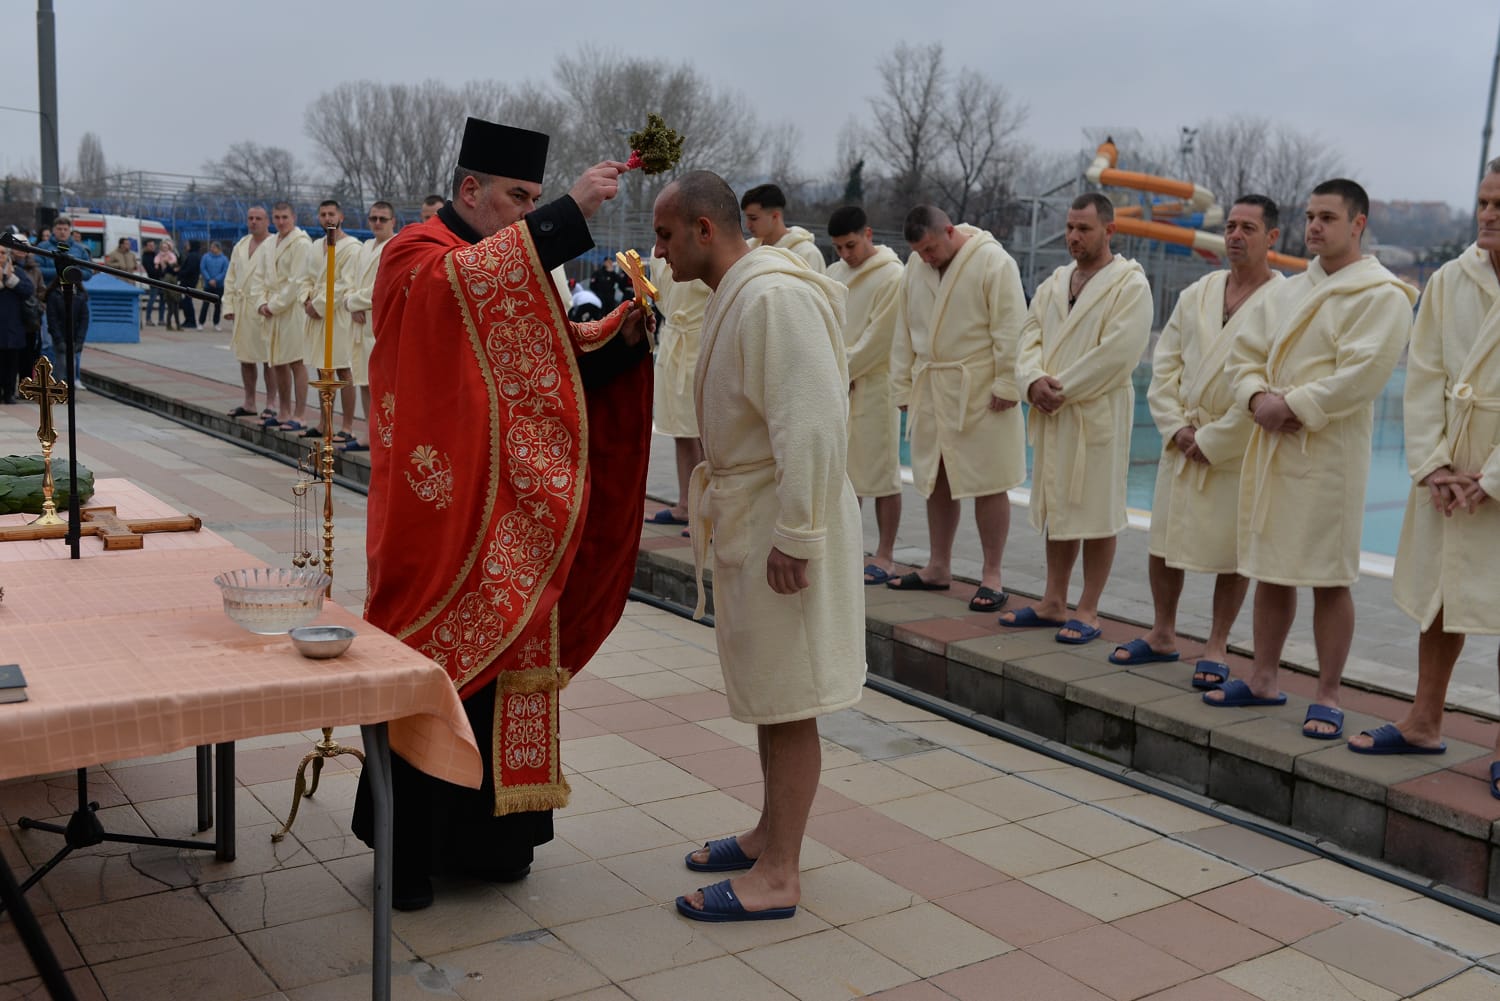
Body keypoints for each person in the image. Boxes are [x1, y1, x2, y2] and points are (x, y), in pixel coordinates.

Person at [350, 117, 655, 911]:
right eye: (517, 198)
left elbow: (545, 362)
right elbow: (461, 289)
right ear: (468, 191)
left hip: (510, 514)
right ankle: (408, 852)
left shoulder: (516, 266)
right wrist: (567, 213)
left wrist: (618, 340)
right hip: (437, 515)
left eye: (533, 202)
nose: (526, 213)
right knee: (427, 667)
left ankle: (490, 841)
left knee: (505, 668)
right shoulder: (414, 255)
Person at [654, 171, 863, 923]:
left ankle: (780, 873)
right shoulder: (737, 291)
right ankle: (769, 830)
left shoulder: (773, 296)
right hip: (754, 508)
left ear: (705, 230)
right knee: (772, 693)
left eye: (666, 235)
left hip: (783, 514)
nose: (659, 250)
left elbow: (810, 420)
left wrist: (798, 534)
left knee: (793, 697)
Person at [1206, 179, 1416, 737]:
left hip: (1327, 452)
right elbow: (1243, 355)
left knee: (1329, 576)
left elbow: (1363, 375)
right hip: (1274, 442)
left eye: (1327, 217)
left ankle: (1327, 692)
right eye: (1310, 216)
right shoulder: (1284, 290)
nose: (1315, 227)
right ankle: (1263, 678)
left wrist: (1293, 404)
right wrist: (1255, 398)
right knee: (1271, 569)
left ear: (1358, 224)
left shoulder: (1382, 295)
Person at [1351, 161, 1500, 775]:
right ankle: (1424, 720)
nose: (1487, 215)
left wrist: (1491, 479)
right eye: (1485, 203)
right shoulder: (1449, 280)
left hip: (1491, 474)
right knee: (1440, 598)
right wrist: (1437, 465)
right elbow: (1425, 376)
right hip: (1451, 471)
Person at [1116, 195, 1284, 682]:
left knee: (1233, 550)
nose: (1235, 235)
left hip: (1236, 444)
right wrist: (1177, 428)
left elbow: (1273, 380)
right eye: (1230, 226)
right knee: (1164, 540)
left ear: (1272, 237)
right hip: (1183, 437)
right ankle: (1163, 631)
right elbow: (1163, 363)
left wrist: (1215, 438)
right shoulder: (1199, 292)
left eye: (1248, 228)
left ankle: (1216, 642)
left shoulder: (1284, 302)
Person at [1004, 193, 1153, 643]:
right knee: (1057, 504)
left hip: (1095, 413)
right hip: (1054, 410)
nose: (1073, 236)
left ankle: (1087, 608)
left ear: (1109, 231)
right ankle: (1053, 600)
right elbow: (1028, 337)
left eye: (1083, 229)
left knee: (1098, 510)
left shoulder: (1130, 285)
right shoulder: (1053, 283)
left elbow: (1118, 355)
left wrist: (1057, 390)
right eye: (1069, 227)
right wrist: (1031, 381)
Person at [887, 205, 1027, 610]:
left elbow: (1012, 325)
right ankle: (938, 566)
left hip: (981, 388)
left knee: (989, 481)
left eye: (930, 249)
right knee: (936, 477)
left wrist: (1007, 382)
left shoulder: (993, 261)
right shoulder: (915, 267)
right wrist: (902, 386)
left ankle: (992, 576)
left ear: (949, 231)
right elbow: (902, 331)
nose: (926, 258)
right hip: (932, 385)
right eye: (919, 252)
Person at [826, 208, 903, 583]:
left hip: (875, 386)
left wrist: (844, 369)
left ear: (868, 234)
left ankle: (886, 553)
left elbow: (881, 337)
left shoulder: (892, 275)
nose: (845, 254)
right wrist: (834, 369)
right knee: (845, 471)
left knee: (882, 473)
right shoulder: (833, 274)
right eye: (838, 247)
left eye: (851, 245)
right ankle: (848, 547)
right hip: (841, 385)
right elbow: (823, 324)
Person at [644, 253, 708, 526]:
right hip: (673, 344)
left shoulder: (708, 248)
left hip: (701, 340)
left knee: (707, 434)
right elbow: (661, 297)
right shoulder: (659, 255)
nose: (660, 246)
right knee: (680, 431)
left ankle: (708, 509)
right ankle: (686, 503)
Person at [297, 199, 364, 440]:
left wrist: (319, 305)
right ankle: (325, 423)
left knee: (344, 370)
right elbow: (304, 277)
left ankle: (346, 426)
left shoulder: (352, 247)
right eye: (323, 214)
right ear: (318, 218)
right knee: (323, 370)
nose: (328, 218)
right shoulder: (315, 246)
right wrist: (306, 299)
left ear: (341, 216)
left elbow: (345, 283)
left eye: (332, 214)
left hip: (338, 315)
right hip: (316, 316)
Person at [342, 200, 398, 444]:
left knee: (382, 384)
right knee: (363, 380)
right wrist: (350, 301)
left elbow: (384, 286)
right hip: (359, 321)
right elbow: (349, 280)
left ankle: (387, 435)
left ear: (393, 222)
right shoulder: (364, 247)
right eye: (373, 218)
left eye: (382, 219)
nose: (377, 223)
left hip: (379, 322)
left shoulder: (395, 246)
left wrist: (354, 302)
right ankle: (369, 433)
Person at [256, 202, 314, 431]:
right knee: (277, 361)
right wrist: (261, 302)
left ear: (294, 217)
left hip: (292, 310)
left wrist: (275, 305)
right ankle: (283, 411)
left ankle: (300, 414)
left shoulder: (301, 243)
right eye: (277, 217)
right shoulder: (270, 243)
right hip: (271, 308)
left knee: (296, 361)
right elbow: (259, 277)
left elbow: (297, 280)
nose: (281, 222)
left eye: (285, 217)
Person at [223, 207, 273, 420]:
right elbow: (231, 277)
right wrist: (229, 306)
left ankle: (272, 403)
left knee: (269, 359)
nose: (254, 222)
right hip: (243, 308)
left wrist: (272, 304)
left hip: (264, 309)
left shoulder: (274, 244)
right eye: (251, 218)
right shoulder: (241, 245)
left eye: (258, 218)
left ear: (267, 221)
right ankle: (249, 401)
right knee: (245, 358)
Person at [37, 216, 93, 381]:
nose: (62, 232)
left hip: (74, 299)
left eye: (65, 229)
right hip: (51, 297)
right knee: (50, 341)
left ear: (70, 230)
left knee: (74, 343)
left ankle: (73, 379)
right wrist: (62, 272)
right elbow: (38, 269)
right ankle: (51, 379)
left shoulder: (79, 250)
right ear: (54, 230)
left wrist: (73, 275)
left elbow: (88, 272)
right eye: (59, 229)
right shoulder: (43, 248)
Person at [741, 183, 824, 273]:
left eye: (753, 218)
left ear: (775, 216)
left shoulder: (807, 254)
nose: (748, 225)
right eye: (747, 218)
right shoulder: (747, 249)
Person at [0, 247, 35, 404]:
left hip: (12, 327)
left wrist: (10, 280)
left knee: (11, 363)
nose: (1, 256)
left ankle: (9, 393)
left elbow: (28, 290)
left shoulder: (16, 272)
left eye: (3, 253)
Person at [199, 240, 229, 330]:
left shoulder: (224, 259)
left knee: (217, 306)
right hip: (208, 285)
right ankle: (201, 323)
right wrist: (209, 279)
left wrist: (216, 280)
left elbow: (224, 271)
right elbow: (203, 268)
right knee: (205, 304)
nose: (211, 248)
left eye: (213, 247)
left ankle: (216, 323)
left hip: (219, 286)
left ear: (218, 248)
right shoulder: (206, 257)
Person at [178, 240, 203, 329]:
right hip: (190, 281)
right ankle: (188, 320)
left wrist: (180, 273)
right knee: (186, 302)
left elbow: (190, 269)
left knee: (187, 302)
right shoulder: (194, 255)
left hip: (188, 282)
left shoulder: (193, 256)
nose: (186, 246)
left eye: (188, 244)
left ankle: (191, 321)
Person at [141, 239, 162, 325]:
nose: (152, 247)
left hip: (161, 280)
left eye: (153, 245)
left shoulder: (156, 255)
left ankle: (161, 319)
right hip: (153, 280)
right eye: (150, 246)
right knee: (152, 299)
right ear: (146, 246)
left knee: (162, 300)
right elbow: (151, 270)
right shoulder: (146, 257)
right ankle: (148, 319)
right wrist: (158, 270)